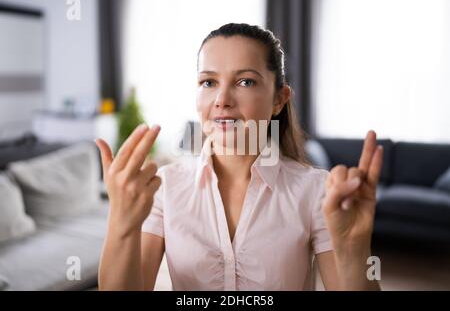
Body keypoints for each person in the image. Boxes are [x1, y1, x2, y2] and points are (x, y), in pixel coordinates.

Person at [95, 23, 383, 291]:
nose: (222, 99)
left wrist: (354, 251)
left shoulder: (314, 190)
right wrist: (121, 223)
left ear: (279, 100)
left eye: (245, 82)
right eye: (208, 82)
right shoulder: (164, 188)